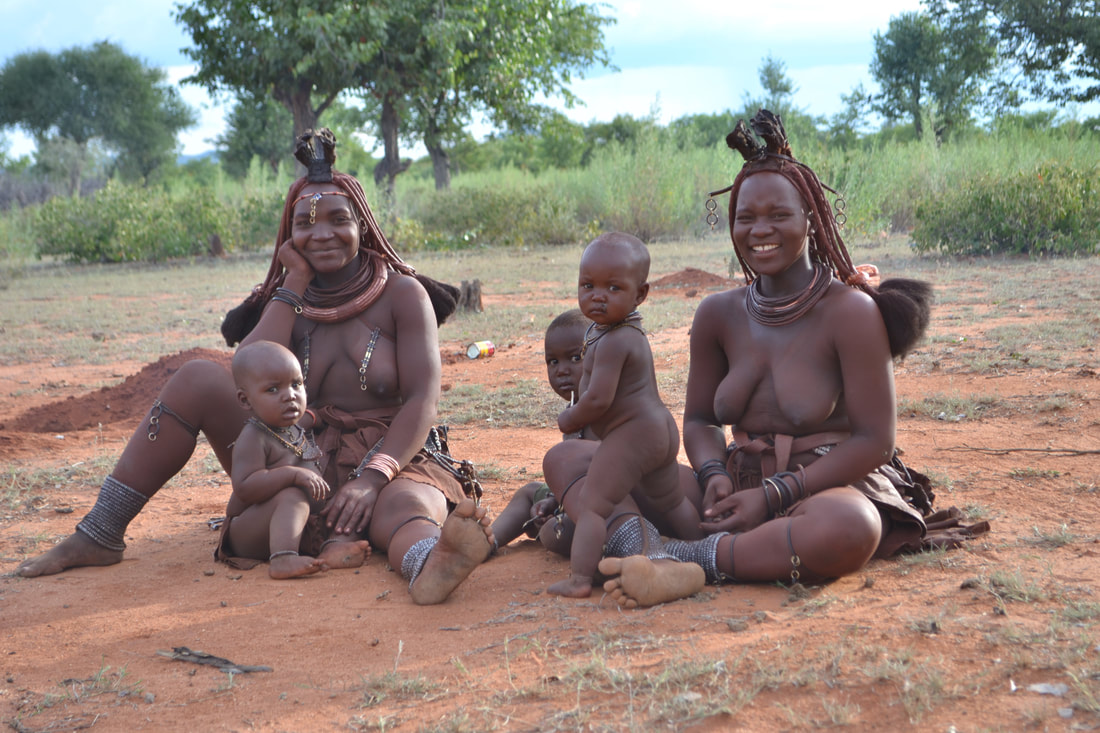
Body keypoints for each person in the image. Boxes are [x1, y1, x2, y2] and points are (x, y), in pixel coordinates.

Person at [17, 129, 494, 605]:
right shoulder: (287, 295)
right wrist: (295, 283)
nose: (321, 233)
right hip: (293, 455)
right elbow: (249, 372)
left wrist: (373, 477)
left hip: (390, 456)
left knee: (405, 507)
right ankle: (100, 532)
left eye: (337, 219)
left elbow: (422, 399)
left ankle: (428, 565)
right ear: (289, 235)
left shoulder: (402, 295)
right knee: (196, 378)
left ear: (363, 225)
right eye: (304, 225)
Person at [600, 109, 987, 609]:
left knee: (850, 527)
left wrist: (774, 495)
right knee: (582, 469)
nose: (760, 230)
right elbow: (698, 419)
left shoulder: (850, 312)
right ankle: (691, 551)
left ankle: (681, 556)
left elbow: (875, 441)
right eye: (746, 217)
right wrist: (714, 475)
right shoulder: (718, 313)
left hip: (825, 489)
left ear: (811, 218)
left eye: (778, 215)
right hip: (733, 488)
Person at [549, 233, 704, 599]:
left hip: (632, 434)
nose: (597, 296)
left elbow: (599, 399)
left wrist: (570, 418)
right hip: (659, 429)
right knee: (671, 501)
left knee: (592, 505)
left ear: (641, 294)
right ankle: (701, 546)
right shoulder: (612, 330)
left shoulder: (616, 340)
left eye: (613, 287)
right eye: (588, 285)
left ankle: (580, 579)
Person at [218, 340, 370, 579]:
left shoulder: (293, 427)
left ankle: (329, 550)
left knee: (337, 502)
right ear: (245, 400)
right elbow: (245, 487)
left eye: (296, 384)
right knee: (293, 495)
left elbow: (316, 417)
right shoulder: (253, 438)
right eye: (272, 390)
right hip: (248, 531)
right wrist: (293, 474)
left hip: (292, 523)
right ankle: (283, 559)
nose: (289, 396)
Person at [489, 310, 591, 556]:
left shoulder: (609, 411)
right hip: (572, 502)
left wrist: (563, 505)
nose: (562, 370)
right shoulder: (572, 412)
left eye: (576, 358)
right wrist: (553, 502)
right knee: (529, 495)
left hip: (605, 509)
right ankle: (484, 543)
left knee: (556, 532)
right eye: (553, 362)